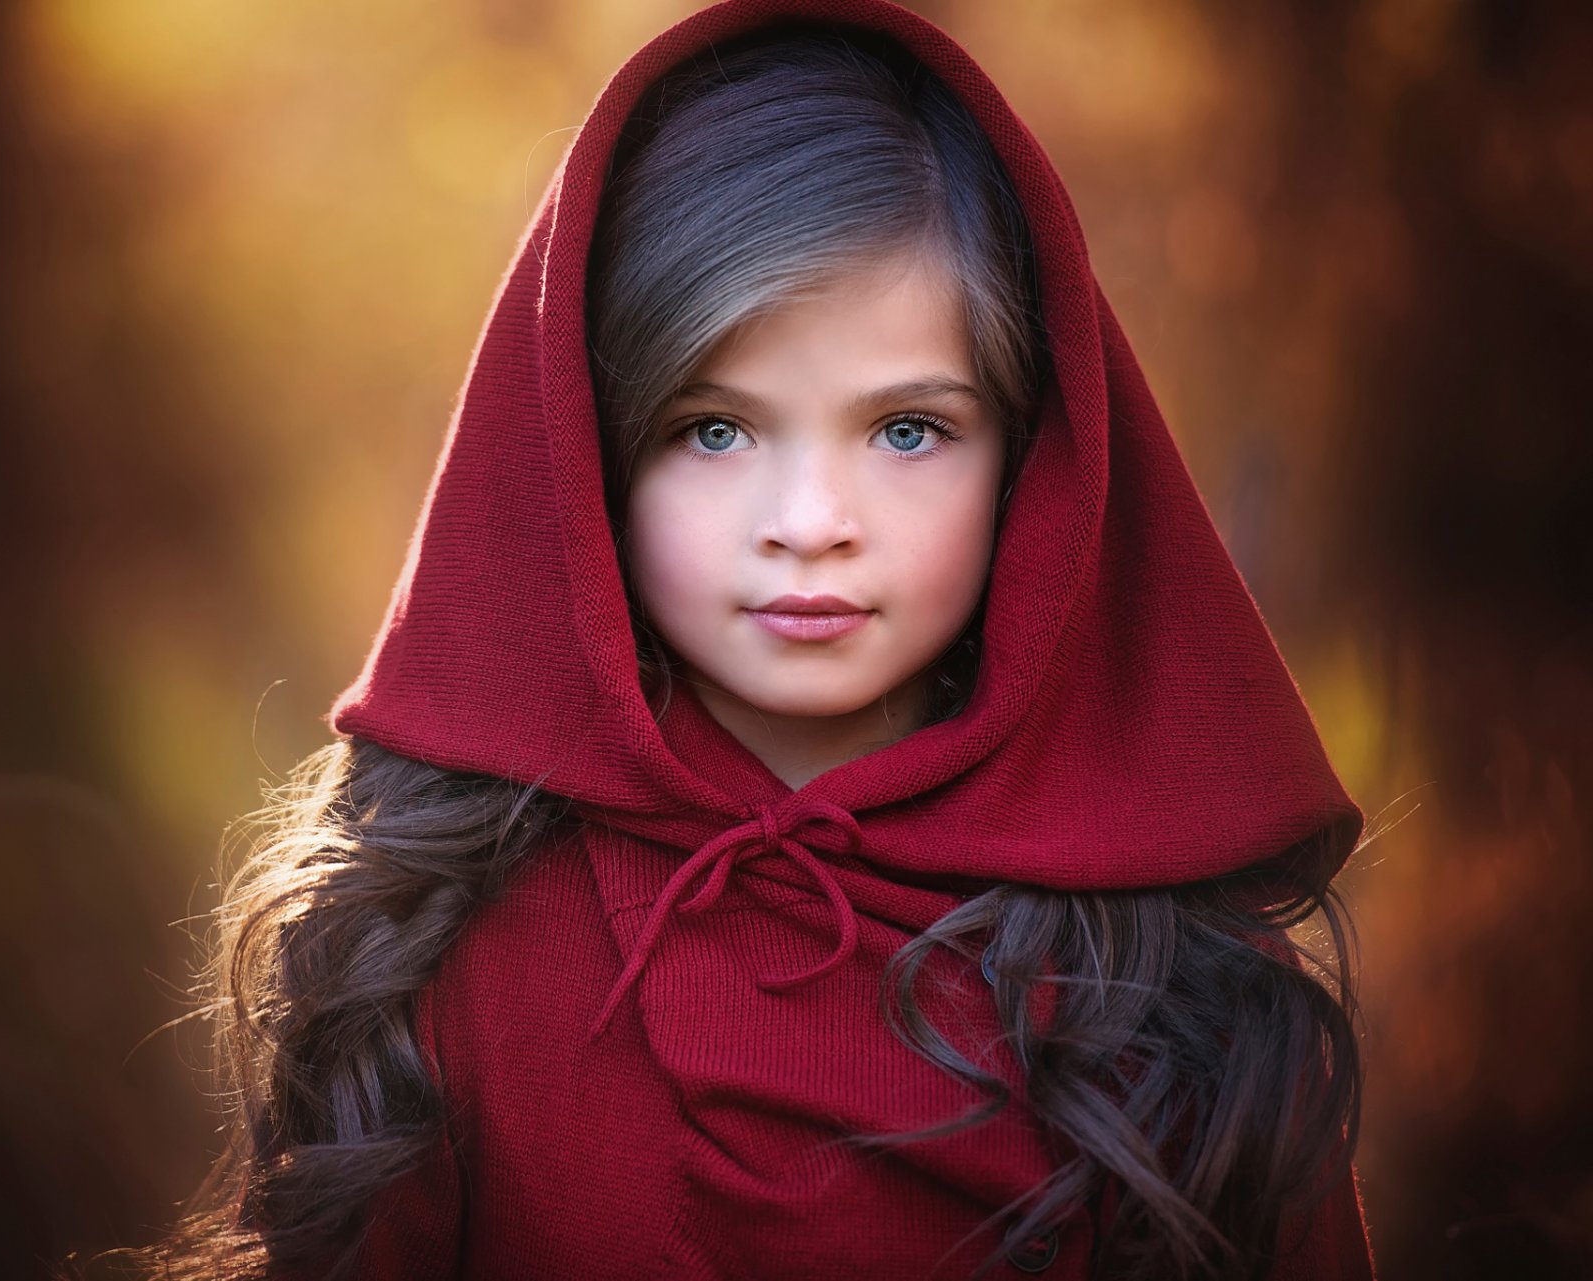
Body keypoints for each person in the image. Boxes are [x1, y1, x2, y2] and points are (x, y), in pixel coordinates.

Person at [147, 1, 1375, 1277]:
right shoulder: (447, 949)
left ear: (1029, 464)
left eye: (908, 429)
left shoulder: (1176, 982)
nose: (810, 525)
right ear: (593, 453)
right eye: (713, 430)